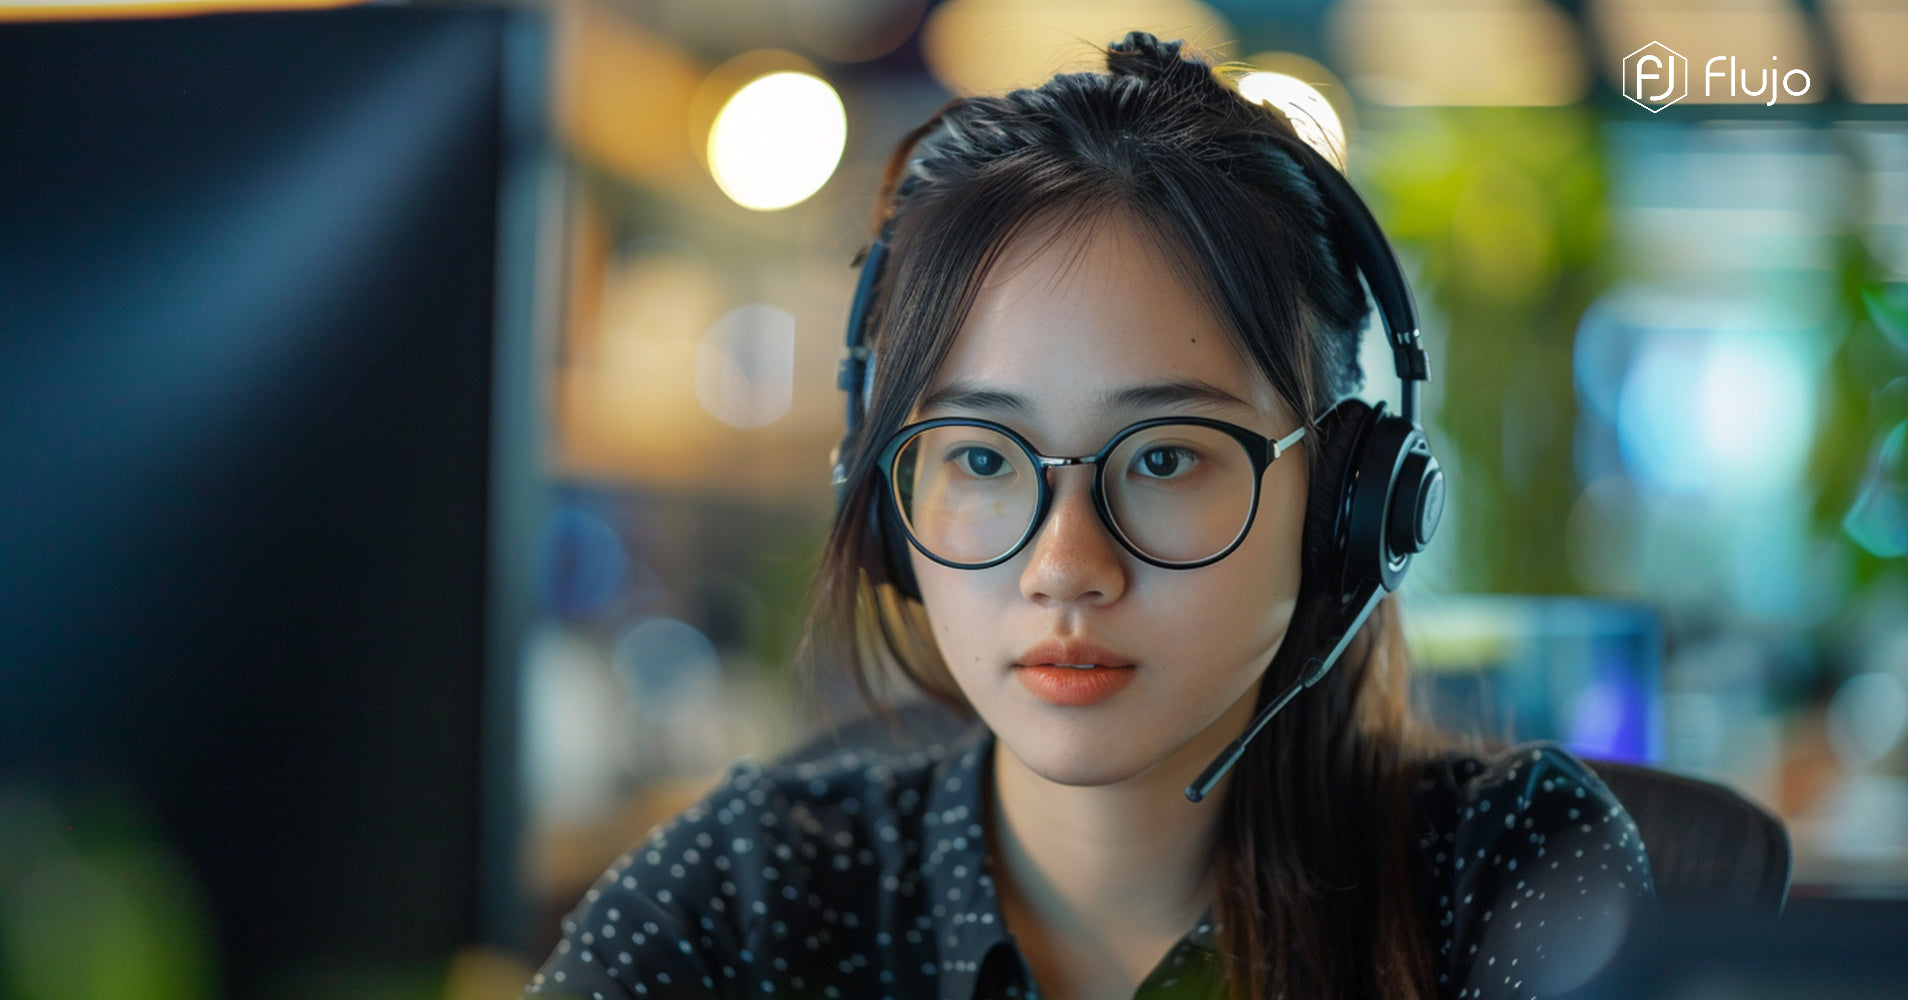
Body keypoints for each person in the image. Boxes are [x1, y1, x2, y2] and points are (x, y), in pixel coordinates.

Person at [525, 32, 1652, 1000]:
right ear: (885, 500)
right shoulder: (749, 897)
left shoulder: (1507, 872)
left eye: (1164, 456)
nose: (1067, 565)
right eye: (978, 455)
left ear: (1350, 502)